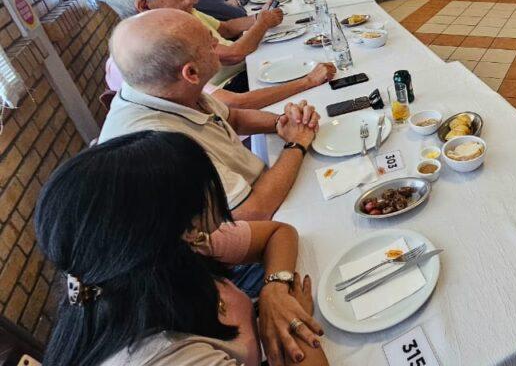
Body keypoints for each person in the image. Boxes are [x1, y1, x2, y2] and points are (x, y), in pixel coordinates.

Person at [36, 130, 329, 366]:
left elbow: (279, 233)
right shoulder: (162, 355)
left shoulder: (164, 253)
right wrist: (294, 327)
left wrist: (275, 290)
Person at [99, 9, 320, 221]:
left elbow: (232, 118)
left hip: (256, 189)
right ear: (191, 72)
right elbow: (253, 212)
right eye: (209, 42)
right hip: (243, 231)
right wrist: (296, 143)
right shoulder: (159, 142)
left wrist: (285, 122)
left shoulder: (164, 88)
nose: (217, 43)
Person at [99, 0, 334, 110]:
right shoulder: (145, 55)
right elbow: (234, 105)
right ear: (144, 6)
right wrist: (308, 81)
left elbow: (231, 114)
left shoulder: (167, 27)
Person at [99, 0, 284, 91]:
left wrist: (261, 18)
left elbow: (226, 28)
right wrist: (262, 23)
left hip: (241, 80)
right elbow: (231, 104)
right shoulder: (160, 45)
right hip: (234, 87)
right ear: (144, 5)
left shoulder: (180, 14)